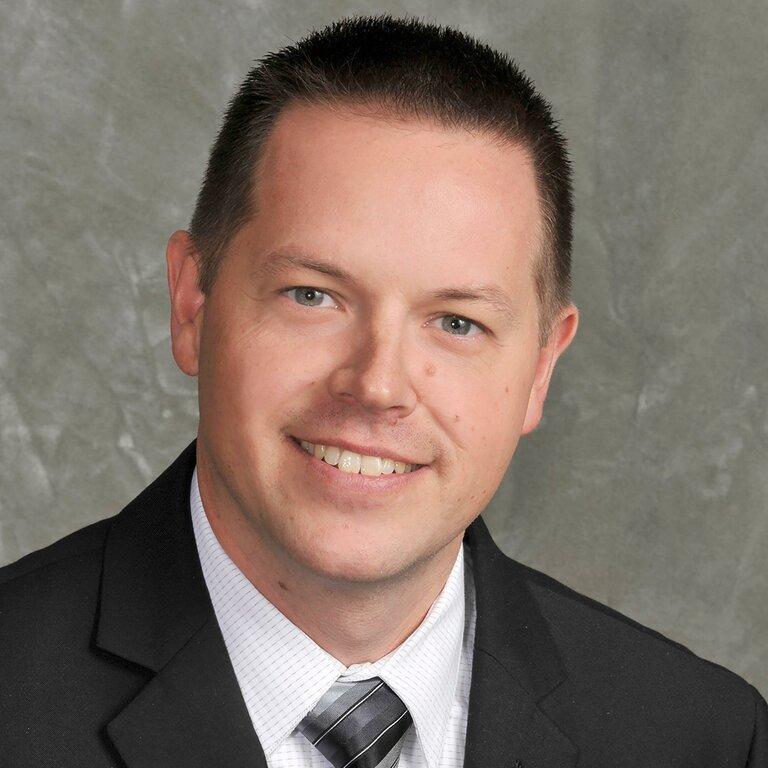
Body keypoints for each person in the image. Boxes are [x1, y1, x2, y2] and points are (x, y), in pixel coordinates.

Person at [0, 13, 765, 768]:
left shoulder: (706, 742)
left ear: (540, 369)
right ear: (192, 305)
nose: (376, 385)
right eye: (312, 296)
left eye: (457, 323)